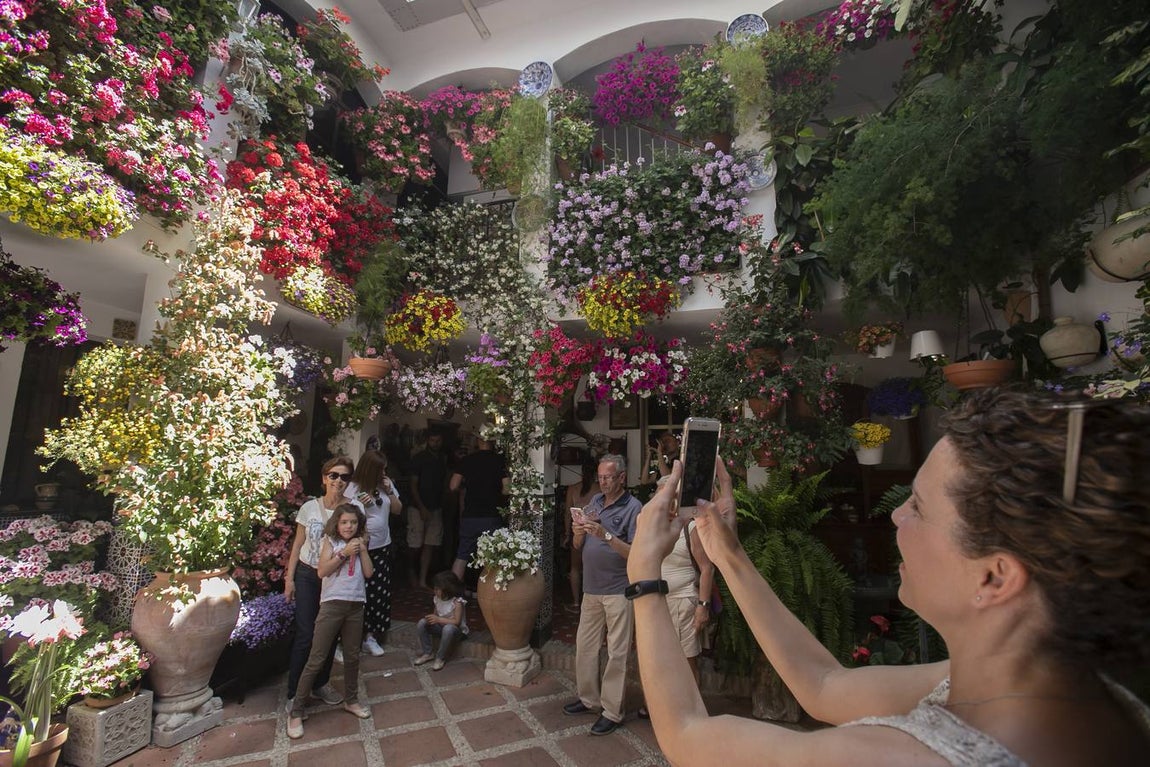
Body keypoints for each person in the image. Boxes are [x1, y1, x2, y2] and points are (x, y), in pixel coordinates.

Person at [628, 390, 1150, 766]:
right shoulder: (1069, 690)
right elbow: (824, 686)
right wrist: (729, 553)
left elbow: (687, 736)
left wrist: (644, 578)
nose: (896, 518)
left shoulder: (898, 757)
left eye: (918, 508)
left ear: (995, 577)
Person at [562, 454, 642, 736]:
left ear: (622, 477)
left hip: (618, 589)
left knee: (617, 653)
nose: (603, 482)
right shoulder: (594, 502)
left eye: (608, 477)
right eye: (600, 477)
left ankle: (612, 711)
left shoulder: (634, 508)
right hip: (590, 588)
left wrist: (606, 535)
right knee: (585, 647)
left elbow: (636, 553)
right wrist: (578, 534)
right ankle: (588, 699)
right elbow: (577, 543)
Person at [287, 503, 374, 739]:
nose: (349, 526)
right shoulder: (331, 541)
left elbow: (368, 573)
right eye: (345, 522)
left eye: (354, 522)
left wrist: (363, 549)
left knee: (352, 656)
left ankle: (351, 699)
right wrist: (344, 553)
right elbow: (322, 571)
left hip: (355, 605)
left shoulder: (360, 544)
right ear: (337, 523)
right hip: (332, 605)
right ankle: (296, 710)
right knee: (317, 657)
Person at [283, 456, 353, 712]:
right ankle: (295, 691)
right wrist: (289, 579)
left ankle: (320, 683)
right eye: (334, 475)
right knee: (305, 634)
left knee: (329, 634)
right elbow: (298, 545)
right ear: (324, 478)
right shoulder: (309, 508)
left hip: (335, 578)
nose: (338, 481)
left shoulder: (353, 509)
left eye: (344, 477)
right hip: (307, 575)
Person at [344, 449, 401, 658]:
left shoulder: (386, 485)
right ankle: (349, 638)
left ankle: (371, 636)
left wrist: (391, 491)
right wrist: (361, 507)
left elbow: (397, 510)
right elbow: (346, 518)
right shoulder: (354, 488)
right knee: (358, 592)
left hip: (382, 545)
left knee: (378, 593)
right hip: (361, 548)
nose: (383, 473)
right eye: (380, 470)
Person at [449, 435, 509, 582]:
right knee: (492, 557)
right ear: (493, 441)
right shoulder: (499, 460)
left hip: (470, 514)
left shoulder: (467, 460)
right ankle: (490, 597)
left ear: (478, 441)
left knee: (462, 555)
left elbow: (453, 485)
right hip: (491, 515)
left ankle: (451, 595)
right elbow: (507, 489)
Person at [408, 431, 448, 590]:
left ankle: (423, 579)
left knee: (430, 544)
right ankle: (411, 571)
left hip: (436, 507)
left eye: (438, 440)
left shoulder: (442, 459)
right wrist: (421, 507)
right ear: (427, 441)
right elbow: (413, 485)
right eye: (433, 439)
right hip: (418, 507)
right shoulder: (419, 458)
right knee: (415, 544)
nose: (435, 443)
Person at [561, 455, 601, 613]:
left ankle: (577, 603)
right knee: (595, 568)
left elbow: (566, 514)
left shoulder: (573, 488)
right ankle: (595, 604)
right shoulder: (600, 488)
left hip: (576, 531)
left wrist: (566, 533)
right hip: (595, 532)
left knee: (575, 568)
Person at [413, 570, 469, 671]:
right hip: (441, 628)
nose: (435, 590)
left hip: (456, 631)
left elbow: (457, 622)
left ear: (448, 589)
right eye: (435, 588)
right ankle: (427, 653)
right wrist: (431, 619)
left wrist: (438, 619)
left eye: (438, 589)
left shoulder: (457, 602)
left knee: (448, 628)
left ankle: (440, 658)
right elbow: (436, 614)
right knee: (422, 623)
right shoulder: (437, 599)